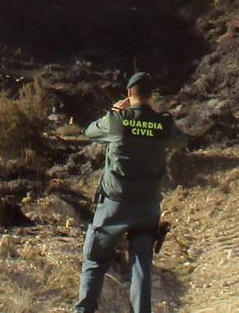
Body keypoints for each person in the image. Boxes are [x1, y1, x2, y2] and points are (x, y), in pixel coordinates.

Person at [74, 71, 188, 313]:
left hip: (114, 204)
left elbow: (90, 131)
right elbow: (181, 141)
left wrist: (114, 111)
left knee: (95, 261)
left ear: (128, 93)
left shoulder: (117, 120)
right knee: (141, 266)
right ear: (151, 95)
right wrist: (159, 115)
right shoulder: (162, 124)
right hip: (147, 207)